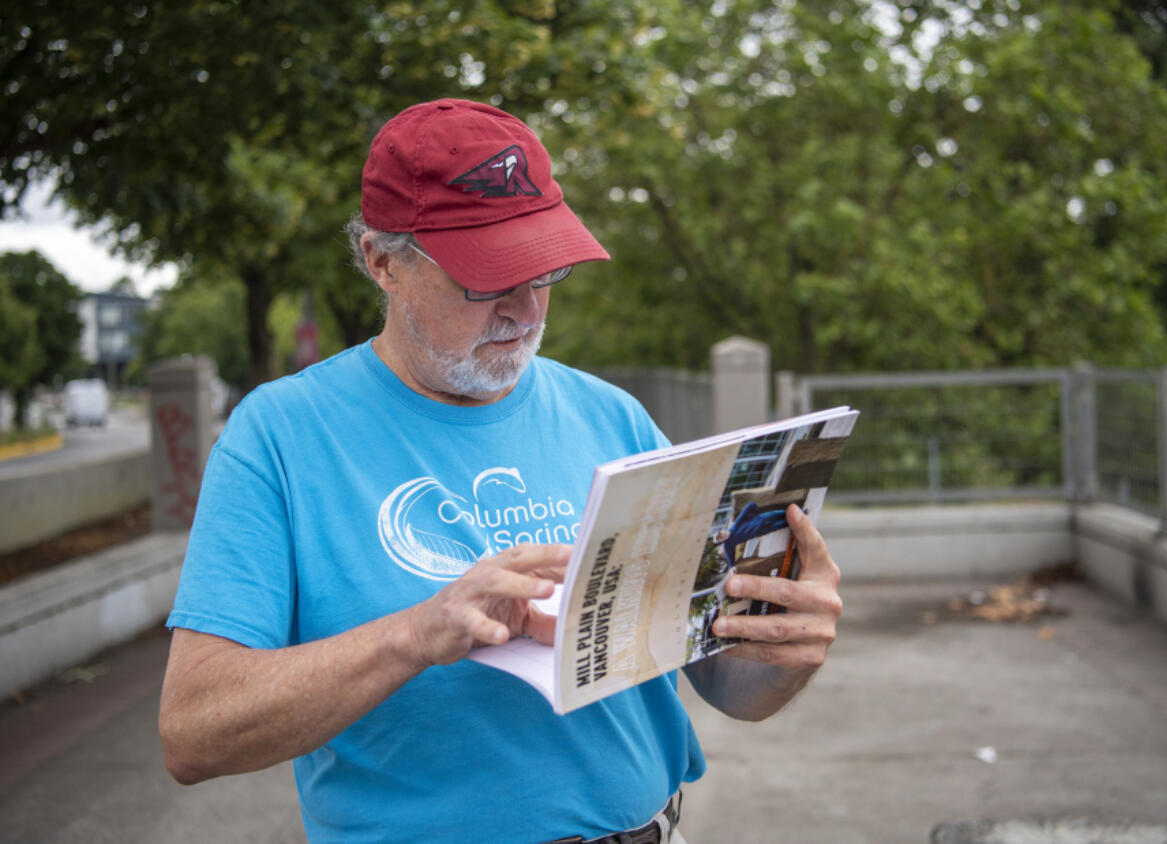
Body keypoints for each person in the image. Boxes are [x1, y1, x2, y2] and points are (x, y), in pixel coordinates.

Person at [158, 98, 843, 844]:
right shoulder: (281, 435)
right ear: (381, 261)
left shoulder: (612, 416)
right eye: (485, 280)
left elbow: (725, 687)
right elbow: (194, 733)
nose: (523, 309)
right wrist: (417, 635)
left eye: (543, 269)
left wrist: (785, 651)